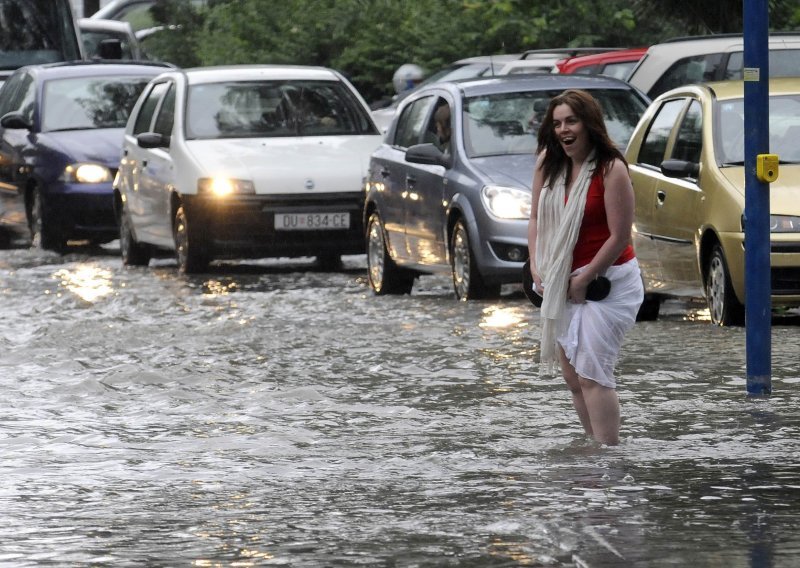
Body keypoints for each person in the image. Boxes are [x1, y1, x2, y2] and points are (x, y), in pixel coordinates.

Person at [527, 89, 643, 446]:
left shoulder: (611, 168)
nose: (564, 129)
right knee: (574, 377)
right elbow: (534, 218)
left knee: (593, 372)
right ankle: (594, 447)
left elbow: (620, 235)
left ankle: (608, 457)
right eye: (557, 123)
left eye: (571, 121)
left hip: (608, 284)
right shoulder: (548, 162)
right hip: (561, 281)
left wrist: (587, 276)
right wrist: (536, 267)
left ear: (589, 124)